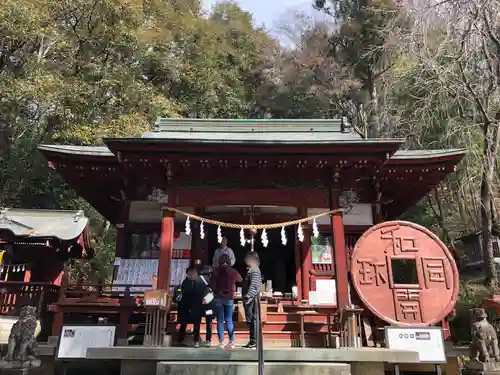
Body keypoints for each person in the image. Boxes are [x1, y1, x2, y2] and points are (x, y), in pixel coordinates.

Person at [213, 254, 242, 349]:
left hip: (218, 297)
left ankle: (221, 342)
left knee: (220, 320)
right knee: (229, 319)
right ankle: (231, 341)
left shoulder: (216, 270)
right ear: (229, 261)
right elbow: (240, 279)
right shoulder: (233, 271)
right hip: (229, 297)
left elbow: (212, 284)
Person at [177, 265, 206, 347]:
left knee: (194, 324)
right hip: (188, 306)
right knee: (187, 323)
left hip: (194, 306)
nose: (195, 274)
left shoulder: (197, 282)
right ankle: (183, 339)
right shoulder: (186, 282)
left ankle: (194, 340)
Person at [242, 251, 262, 349]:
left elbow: (255, 285)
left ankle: (254, 340)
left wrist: (248, 296)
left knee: (253, 320)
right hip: (250, 300)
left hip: (252, 300)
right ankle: (252, 340)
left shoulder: (254, 270)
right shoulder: (252, 270)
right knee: (251, 321)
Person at [198, 264, 216, 346]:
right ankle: (208, 340)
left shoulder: (197, 279)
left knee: (197, 321)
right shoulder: (212, 280)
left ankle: (196, 340)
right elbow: (215, 292)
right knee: (209, 322)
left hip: (199, 304)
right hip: (208, 305)